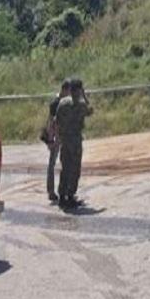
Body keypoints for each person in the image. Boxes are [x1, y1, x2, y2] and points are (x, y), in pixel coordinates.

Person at [55, 78, 93, 209]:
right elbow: (91, 111)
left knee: (65, 168)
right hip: (75, 140)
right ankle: (70, 195)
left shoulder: (63, 103)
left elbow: (57, 120)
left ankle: (62, 196)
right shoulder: (81, 104)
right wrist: (84, 95)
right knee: (75, 169)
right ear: (79, 90)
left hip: (65, 140)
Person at [44, 79, 71, 203]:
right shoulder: (55, 103)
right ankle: (50, 191)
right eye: (68, 91)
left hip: (64, 135)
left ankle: (64, 189)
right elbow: (50, 122)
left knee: (65, 162)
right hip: (56, 136)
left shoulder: (66, 101)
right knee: (52, 164)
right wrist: (50, 139)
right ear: (64, 90)